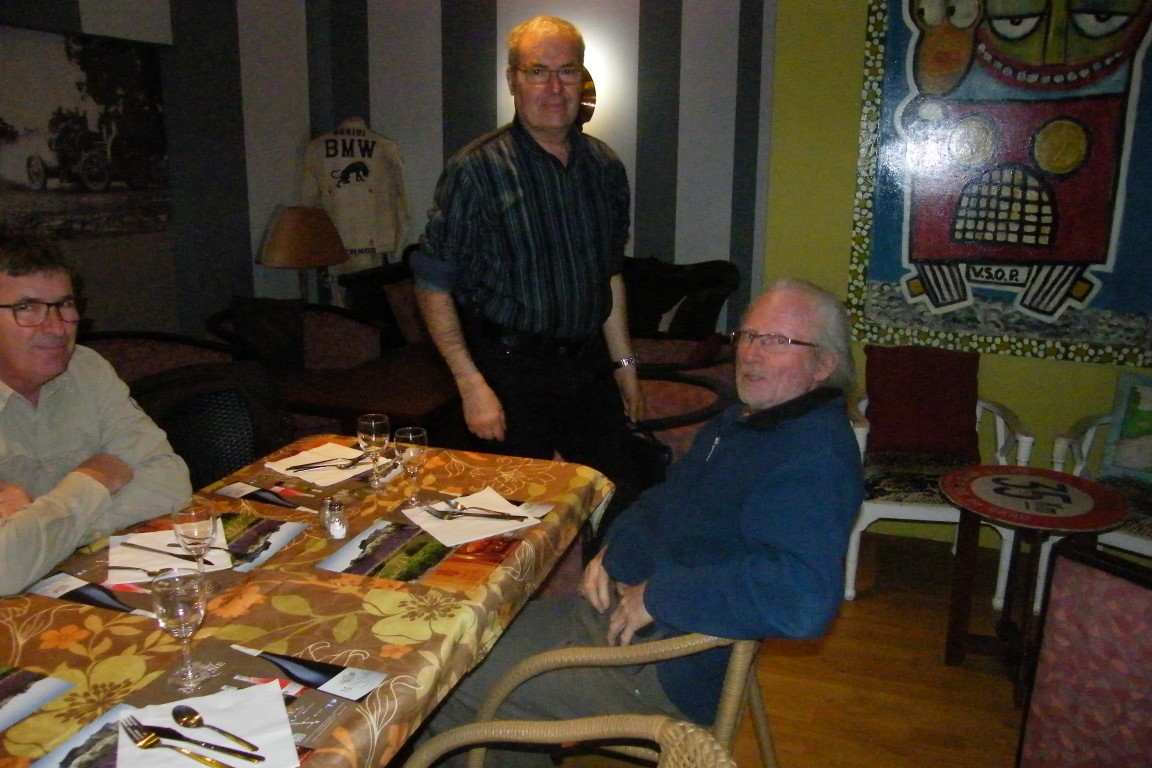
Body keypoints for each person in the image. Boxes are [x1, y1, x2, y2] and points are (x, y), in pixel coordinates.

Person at [411, 279, 865, 766]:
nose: (751, 354)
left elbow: (803, 598)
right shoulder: (747, 421)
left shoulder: (813, 457)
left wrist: (659, 595)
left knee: (443, 681)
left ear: (824, 365)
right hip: (623, 615)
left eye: (777, 341)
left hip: (661, 663)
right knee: (454, 639)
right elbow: (663, 499)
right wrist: (616, 548)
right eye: (748, 335)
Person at [412, 15, 644, 515]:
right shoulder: (476, 170)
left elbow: (609, 274)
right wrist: (471, 384)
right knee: (511, 512)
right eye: (538, 71)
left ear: (582, 78)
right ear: (513, 80)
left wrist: (624, 364)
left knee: (616, 495)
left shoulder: (604, 167)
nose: (554, 88)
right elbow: (432, 283)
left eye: (567, 71)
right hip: (509, 370)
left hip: (587, 365)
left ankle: (600, 569)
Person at [0, 234, 191, 595]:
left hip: (80, 586)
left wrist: (39, 529)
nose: (57, 327)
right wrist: (94, 478)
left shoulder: (86, 368)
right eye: (27, 308)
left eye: (64, 304)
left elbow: (171, 482)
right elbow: (5, 570)